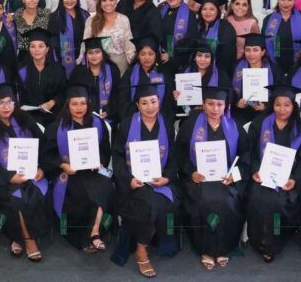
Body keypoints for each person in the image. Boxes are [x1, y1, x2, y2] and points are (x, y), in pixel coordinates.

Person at [174, 85, 249, 270]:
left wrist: (235, 175)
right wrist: (191, 172)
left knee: (227, 200)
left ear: (226, 106)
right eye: (210, 104)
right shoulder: (192, 123)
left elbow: (246, 155)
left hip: (226, 179)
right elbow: (179, 152)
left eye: (220, 104)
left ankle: (224, 248)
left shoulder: (234, 125)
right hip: (199, 179)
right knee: (204, 200)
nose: (215, 109)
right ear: (203, 104)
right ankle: (206, 249)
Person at [0, 83, 49, 262]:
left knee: (30, 194)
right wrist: (9, 176)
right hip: (0, 179)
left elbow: (44, 146)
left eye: (10, 102)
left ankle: (16, 238)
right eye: (1, 103)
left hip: (30, 174)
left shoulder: (25, 120)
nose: (7, 107)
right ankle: (28, 239)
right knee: (16, 200)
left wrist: (42, 168)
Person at [111, 83, 179, 278]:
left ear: (159, 102)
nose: (150, 107)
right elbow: (117, 156)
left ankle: (149, 243)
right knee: (147, 205)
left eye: (153, 102)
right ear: (137, 105)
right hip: (134, 182)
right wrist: (128, 180)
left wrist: (167, 177)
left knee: (166, 204)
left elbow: (174, 157)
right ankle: (141, 249)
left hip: (159, 180)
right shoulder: (126, 124)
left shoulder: (166, 123)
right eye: (144, 103)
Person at [41, 83, 113, 252]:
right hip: (69, 172)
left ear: (88, 104)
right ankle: (89, 235)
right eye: (74, 104)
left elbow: (105, 150)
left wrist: (100, 161)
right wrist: (62, 164)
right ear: (68, 105)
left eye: (82, 103)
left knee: (105, 184)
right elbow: (46, 155)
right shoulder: (56, 127)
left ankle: (94, 232)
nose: (79, 108)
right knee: (80, 192)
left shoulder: (98, 123)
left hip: (94, 170)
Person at [245, 83, 301, 262]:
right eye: (277, 104)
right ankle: (259, 239)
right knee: (258, 198)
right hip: (262, 176)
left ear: (293, 106)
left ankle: (272, 244)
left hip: (287, 180)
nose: (282, 109)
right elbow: (248, 151)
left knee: (278, 202)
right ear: (272, 105)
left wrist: (295, 179)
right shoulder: (260, 123)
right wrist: (254, 171)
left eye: (287, 105)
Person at [262, 0, 301, 74]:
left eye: (290, 0)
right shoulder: (268, 20)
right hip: (274, 65)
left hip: (299, 65)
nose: (286, 3)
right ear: (278, 0)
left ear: (294, 1)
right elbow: (264, 42)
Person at [231, 34, 282, 124]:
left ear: (262, 52)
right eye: (247, 50)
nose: (251, 54)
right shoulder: (236, 68)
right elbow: (229, 90)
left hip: (265, 114)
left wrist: (266, 106)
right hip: (241, 113)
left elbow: (280, 93)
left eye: (255, 50)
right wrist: (237, 103)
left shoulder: (274, 70)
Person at [84, 0, 135, 74]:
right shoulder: (91, 21)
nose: (108, 3)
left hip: (121, 66)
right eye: (104, 0)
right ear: (100, 3)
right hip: (98, 65)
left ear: (116, 1)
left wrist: (134, 66)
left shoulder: (123, 19)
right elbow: (85, 44)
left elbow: (129, 45)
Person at [194, 0, 237, 73]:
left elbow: (228, 57)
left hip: (218, 71)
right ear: (200, 11)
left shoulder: (226, 28)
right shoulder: (195, 26)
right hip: (196, 70)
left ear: (218, 11)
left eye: (212, 9)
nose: (208, 12)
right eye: (204, 9)